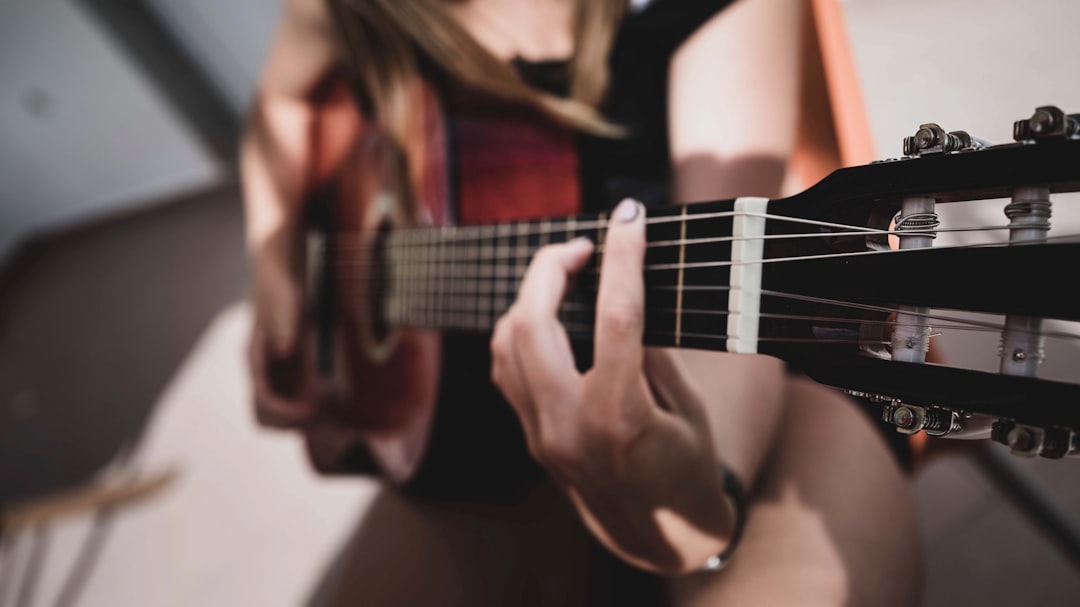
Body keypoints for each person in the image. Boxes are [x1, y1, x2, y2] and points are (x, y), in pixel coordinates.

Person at [243, 0, 922, 604]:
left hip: (725, 370)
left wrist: (699, 489)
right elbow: (280, 106)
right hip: (466, 431)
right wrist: (278, 274)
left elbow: (739, 274)